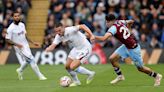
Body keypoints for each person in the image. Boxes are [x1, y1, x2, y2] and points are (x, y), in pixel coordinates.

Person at [94, 14, 162, 86]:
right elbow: (130, 21)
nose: (106, 24)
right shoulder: (119, 21)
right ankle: (120, 76)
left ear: (112, 21)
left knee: (141, 68)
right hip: (126, 46)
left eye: (107, 22)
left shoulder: (113, 28)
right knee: (112, 58)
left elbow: (104, 38)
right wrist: (129, 31)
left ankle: (157, 76)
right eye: (106, 22)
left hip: (133, 49)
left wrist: (92, 36)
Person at [45, 23, 95, 87]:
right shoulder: (58, 36)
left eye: (59, 30)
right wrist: (48, 49)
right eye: (56, 31)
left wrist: (91, 35)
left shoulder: (70, 29)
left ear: (63, 27)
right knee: (67, 66)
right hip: (76, 49)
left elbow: (83, 26)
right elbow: (53, 45)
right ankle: (76, 82)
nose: (58, 33)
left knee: (72, 67)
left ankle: (90, 74)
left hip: (85, 48)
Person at [5, 11, 47, 80]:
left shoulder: (22, 25)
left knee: (28, 60)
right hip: (19, 48)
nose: (17, 17)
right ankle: (40, 76)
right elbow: (7, 39)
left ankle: (20, 70)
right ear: (13, 17)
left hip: (26, 45)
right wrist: (17, 44)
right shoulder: (10, 28)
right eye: (15, 16)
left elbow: (25, 36)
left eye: (18, 16)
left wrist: (33, 43)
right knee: (31, 59)